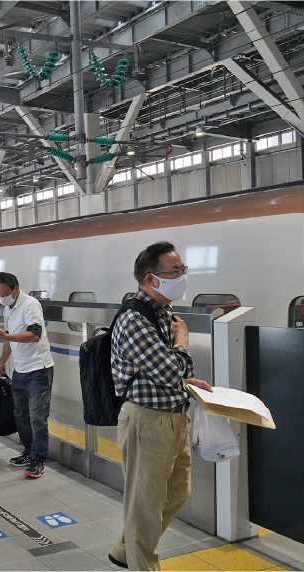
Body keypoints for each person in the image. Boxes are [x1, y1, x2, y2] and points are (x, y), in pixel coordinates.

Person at [108, 241, 212, 572]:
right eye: (175, 271)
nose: (182, 276)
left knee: (176, 493)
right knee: (146, 504)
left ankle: (126, 550)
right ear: (152, 279)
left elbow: (174, 373)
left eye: (183, 269)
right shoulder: (134, 318)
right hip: (147, 421)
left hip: (174, 417)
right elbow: (168, 369)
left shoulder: (162, 312)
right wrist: (183, 341)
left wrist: (188, 382)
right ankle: (142, 565)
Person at [0, 272, 54, 479]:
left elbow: (34, 334)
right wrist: (1, 361)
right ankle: (28, 451)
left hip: (39, 370)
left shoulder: (31, 305)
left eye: (4, 293)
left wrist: (6, 335)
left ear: (16, 288)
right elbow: (9, 340)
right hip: (21, 370)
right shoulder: (8, 308)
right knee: (21, 414)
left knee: (37, 417)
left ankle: (38, 459)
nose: (1, 297)